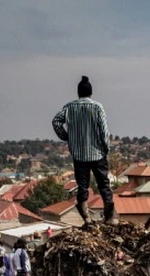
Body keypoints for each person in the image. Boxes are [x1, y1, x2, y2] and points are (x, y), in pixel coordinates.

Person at [52, 75, 116, 225]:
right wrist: (105, 148)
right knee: (104, 185)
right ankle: (110, 216)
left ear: (78, 92)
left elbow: (56, 121)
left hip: (79, 155)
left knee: (83, 186)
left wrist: (66, 137)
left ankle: (86, 217)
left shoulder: (69, 108)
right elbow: (104, 131)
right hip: (97, 153)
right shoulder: (97, 107)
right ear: (91, 92)